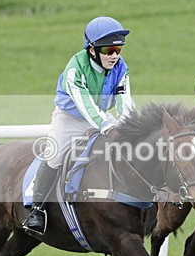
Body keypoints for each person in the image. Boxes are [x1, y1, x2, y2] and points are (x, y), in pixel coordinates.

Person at [23, 16, 135, 238]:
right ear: (92, 50)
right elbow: (85, 105)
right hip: (70, 119)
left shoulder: (121, 68)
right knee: (54, 155)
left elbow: (125, 102)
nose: (114, 56)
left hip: (102, 116)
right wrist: (106, 126)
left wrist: (128, 127)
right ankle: (37, 210)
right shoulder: (75, 69)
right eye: (108, 50)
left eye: (118, 50)